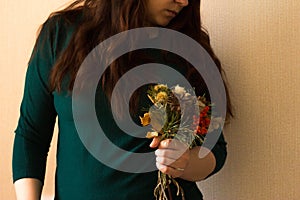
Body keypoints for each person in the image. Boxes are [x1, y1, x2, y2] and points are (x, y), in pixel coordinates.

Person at [13, 0, 233, 199]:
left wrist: (185, 162)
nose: (183, 2)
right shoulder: (61, 34)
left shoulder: (187, 49)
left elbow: (216, 149)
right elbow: (31, 134)